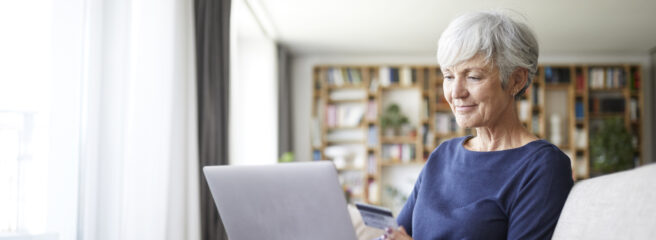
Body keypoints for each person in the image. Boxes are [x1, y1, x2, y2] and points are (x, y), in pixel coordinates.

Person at [381, 10, 574, 240]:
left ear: (516, 80)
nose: (455, 93)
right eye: (449, 76)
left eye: (473, 77)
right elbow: (398, 233)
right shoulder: (442, 155)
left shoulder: (543, 166)